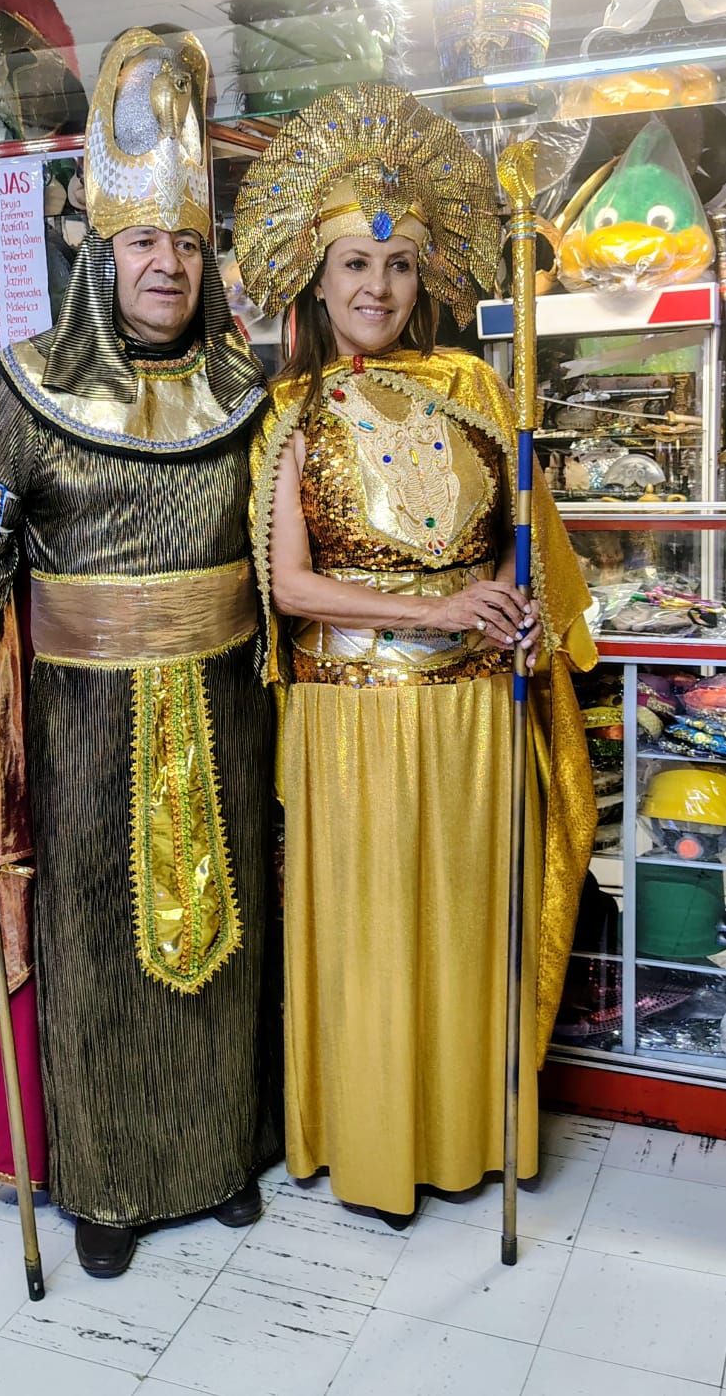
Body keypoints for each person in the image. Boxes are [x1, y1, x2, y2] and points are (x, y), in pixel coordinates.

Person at [0, 28, 280, 1277]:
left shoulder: (249, 391)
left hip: (229, 709)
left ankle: (224, 1153)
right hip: (82, 728)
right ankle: (110, 1182)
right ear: (102, 250)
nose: (166, 262)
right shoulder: (29, 390)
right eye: (142, 241)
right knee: (100, 944)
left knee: (231, 930)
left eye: (186, 241)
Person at [235, 82, 597, 1226]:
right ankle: (378, 1146)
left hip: (475, 713)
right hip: (352, 722)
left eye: (396, 266)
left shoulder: (478, 385)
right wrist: (440, 611)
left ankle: (470, 1132)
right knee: (374, 935)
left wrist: (517, 603)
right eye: (355, 264)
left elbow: (526, 535)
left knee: (466, 928)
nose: (377, 288)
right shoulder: (289, 411)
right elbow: (287, 586)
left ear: (423, 276)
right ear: (318, 276)